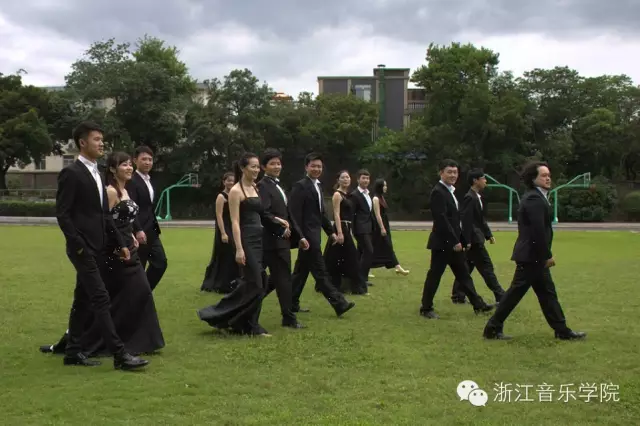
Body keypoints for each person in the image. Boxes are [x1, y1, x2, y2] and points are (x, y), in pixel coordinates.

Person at [41, 152, 166, 357]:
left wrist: (133, 234)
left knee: (128, 295)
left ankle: (134, 340)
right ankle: (94, 343)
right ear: (113, 169)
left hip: (129, 248)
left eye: (129, 164)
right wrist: (118, 244)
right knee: (114, 297)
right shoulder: (110, 192)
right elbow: (105, 222)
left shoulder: (126, 190)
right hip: (115, 252)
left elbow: (123, 219)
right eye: (124, 165)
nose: (129, 168)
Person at [54, 121, 148, 370]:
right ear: (82, 142)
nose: (101, 143)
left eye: (101, 139)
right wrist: (79, 245)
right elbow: (63, 214)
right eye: (96, 139)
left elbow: (105, 216)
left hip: (99, 246)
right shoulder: (71, 173)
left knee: (83, 299)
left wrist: (120, 243)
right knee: (100, 297)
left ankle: (72, 352)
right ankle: (119, 355)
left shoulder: (97, 173)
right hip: (83, 249)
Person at [483, 161, 586, 340]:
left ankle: (562, 331)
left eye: (549, 175)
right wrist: (547, 256)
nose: (548, 178)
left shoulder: (537, 197)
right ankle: (492, 328)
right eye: (543, 175)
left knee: (547, 294)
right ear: (533, 179)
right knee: (516, 294)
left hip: (533, 256)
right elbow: (537, 231)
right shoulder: (533, 199)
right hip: (532, 256)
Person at [197, 153, 288, 336]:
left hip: (259, 239)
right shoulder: (235, 192)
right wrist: (239, 249)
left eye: (257, 166)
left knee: (255, 283)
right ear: (243, 168)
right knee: (257, 282)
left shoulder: (254, 187)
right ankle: (247, 325)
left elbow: (261, 213)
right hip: (245, 240)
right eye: (252, 166)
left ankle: (238, 322)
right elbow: (235, 222)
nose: (256, 170)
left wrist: (278, 220)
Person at [419, 159, 495, 319]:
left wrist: (463, 240)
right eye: (449, 172)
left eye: (455, 172)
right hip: (442, 243)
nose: (453, 175)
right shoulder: (438, 192)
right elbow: (441, 220)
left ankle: (478, 304)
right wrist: (454, 241)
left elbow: (455, 221)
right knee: (435, 275)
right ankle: (426, 308)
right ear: (441, 173)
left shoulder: (450, 192)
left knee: (464, 275)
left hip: (453, 243)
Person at [289, 153, 356, 317]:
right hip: (308, 238)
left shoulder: (318, 186)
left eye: (319, 166)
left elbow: (321, 214)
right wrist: (300, 236)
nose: (317, 169)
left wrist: (331, 232)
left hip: (314, 236)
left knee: (300, 273)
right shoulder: (300, 186)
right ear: (306, 167)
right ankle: (339, 303)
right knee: (321, 272)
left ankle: (291, 303)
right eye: (313, 166)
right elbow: (294, 214)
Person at [257, 149, 305, 329]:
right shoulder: (263, 186)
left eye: (278, 163)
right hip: (272, 242)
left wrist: (300, 237)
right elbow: (264, 213)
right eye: (272, 164)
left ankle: (287, 316)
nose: (277, 167)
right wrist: (279, 229)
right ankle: (288, 318)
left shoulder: (277, 186)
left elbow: (287, 214)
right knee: (281, 279)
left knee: (278, 280)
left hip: (281, 241)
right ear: (264, 167)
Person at [451, 169, 505, 304]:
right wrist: (467, 240)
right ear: (475, 181)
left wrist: (488, 234)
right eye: (483, 178)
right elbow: (466, 220)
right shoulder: (470, 197)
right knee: (487, 267)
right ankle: (501, 296)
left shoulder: (476, 197)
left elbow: (480, 219)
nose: (485, 181)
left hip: (476, 238)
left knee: (466, 268)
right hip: (474, 240)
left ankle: (458, 295)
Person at [127, 146, 167, 291]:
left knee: (160, 263)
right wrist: (137, 229)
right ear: (135, 160)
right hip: (140, 231)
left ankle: (144, 293)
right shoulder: (132, 181)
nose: (147, 162)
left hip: (152, 230)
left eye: (150, 159)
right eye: (144, 159)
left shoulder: (149, 180)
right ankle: (136, 297)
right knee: (139, 267)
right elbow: (132, 207)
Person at [322, 170, 369, 295]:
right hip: (341, 227)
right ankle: (356, 287)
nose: (346, 179)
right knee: (350, 257)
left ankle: (342, 285)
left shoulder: (348, 195)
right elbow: (336, 214)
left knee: (339, 257)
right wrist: (340, 232)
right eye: (343, 177)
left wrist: (350, 230)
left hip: (348, 228)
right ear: (338, 180)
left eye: (347, 177)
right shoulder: (337, 195)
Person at [201, 172, 239, 293]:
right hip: (224, 228)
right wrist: (223, 233)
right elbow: (219, 216)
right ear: (224, 182)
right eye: (229, 180)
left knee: (233, 255)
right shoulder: (221, 197)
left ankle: (233, 282)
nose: (231, 183)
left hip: (234, 227)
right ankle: (220, 283)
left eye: (233, 180)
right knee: (225, 256)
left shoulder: (235, 195)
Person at [370, 178, 410, 276]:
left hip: (384, 224)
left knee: (386, 246)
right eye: (384, 185)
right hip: (379, 226)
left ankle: (397, 267)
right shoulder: (375, 199)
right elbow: (377, 215)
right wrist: (382, 228)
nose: (386, 187)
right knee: (383, 246)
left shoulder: (381, 197)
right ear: (379, 186)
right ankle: (397, 267)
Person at [350, 169, 375, 286]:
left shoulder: (368, 194)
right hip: (360, 228)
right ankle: (362, 279)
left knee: (360, 253)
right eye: (363, 178)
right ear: (358, 180)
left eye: (367, 178)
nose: (366, 180)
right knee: (369, 251)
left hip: (368, 228)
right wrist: (351, 229)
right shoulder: (354, 195)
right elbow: (351, 213)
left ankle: (358, 279)